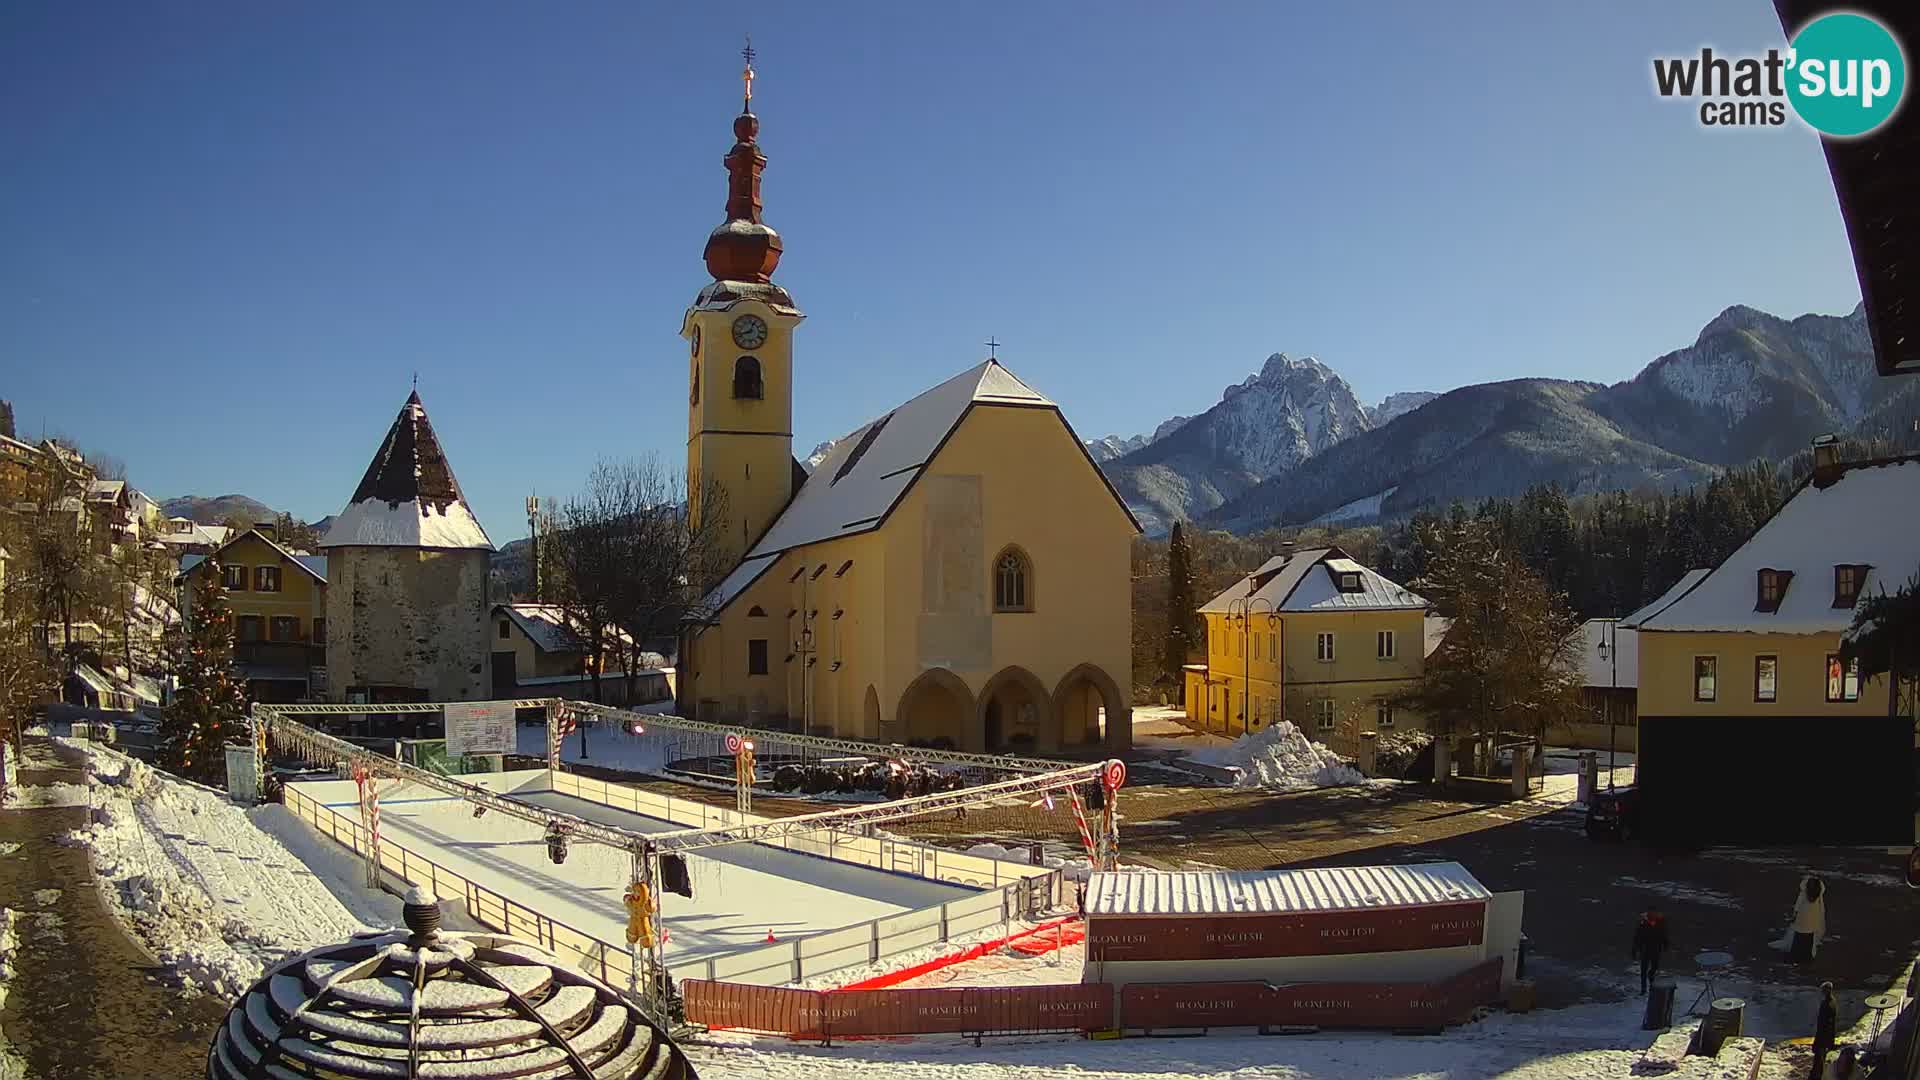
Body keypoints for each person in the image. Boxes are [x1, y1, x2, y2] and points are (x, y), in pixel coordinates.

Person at [1631, 905, 1670, 994]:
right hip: (1645, 949)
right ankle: (1643, 989)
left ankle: (1652, 981)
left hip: (1656, 948)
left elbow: (1664, 934)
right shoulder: (1643, 922)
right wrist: (1634, 949)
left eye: (1653, 912)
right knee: (1643, 970)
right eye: (1650, 912)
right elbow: (1637, 937)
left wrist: (1665, 944)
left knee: (1654, 967)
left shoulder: (1660, 921)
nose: (1652, 914)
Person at [1792, 876, 1827, 964]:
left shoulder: (1803, 893)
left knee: (1798, 939)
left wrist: (1794, 914)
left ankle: (1795, 956)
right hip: (1812, 921)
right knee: (1809, 940)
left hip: (1802, 920)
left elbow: (1798, 904)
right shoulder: (1818, 895)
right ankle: (1807, 957)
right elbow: (1821, 908)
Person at [1810, 982, 1838, 1080]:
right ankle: (1820, 1074)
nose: (1822, 992)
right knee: (1822, 1057)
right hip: (1828, 1035)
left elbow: (1822, 1024)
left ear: (1828, 990)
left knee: (1819, 1058)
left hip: (1823, 1035)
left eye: (1823, 990)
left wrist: (1817, 1040)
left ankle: (1818, 1076)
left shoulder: (1826, 1004)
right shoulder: (1833, 1002)